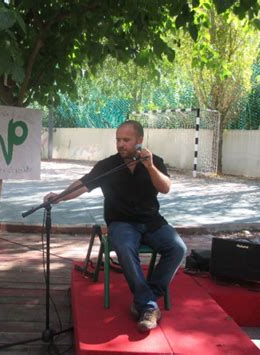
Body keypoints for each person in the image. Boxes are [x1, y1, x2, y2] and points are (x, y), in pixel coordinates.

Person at [44, 120, 187, 332]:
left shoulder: (154, 161)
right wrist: (60, 197)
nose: (121, 144)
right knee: (125, 249)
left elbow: (165, 187)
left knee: (178, 248)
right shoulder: (108, 165)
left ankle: (145, 296)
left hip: (152, 222)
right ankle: (148, 306)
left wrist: (149, 167)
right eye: (118, 140)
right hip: (121, 223)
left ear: (139, 141)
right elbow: (84, 185)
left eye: (126, 140)